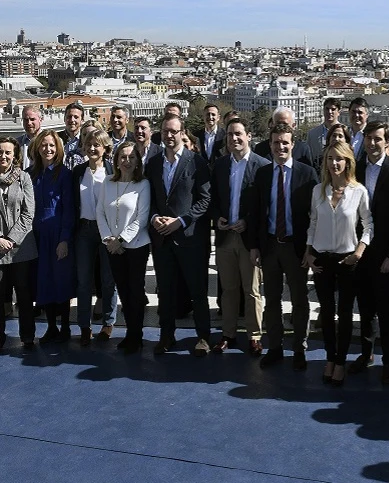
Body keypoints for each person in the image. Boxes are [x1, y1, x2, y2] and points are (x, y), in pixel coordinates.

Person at [250, 122, 319, 370]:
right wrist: (254, 246)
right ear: (270, 145)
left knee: (300, 300)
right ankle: (275, 347)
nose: (281, 147)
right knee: (272, 300)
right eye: (276, 142)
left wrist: (310, 250)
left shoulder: (307, 174)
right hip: (269, 245)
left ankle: (300, 348)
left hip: (296, 247)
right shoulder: (263, 174)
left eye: (285, 142)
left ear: (293, 144)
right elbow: (257, 212)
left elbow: (314, 215)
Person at [305, 141, 373, 387]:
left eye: (339, 159)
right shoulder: (317, 191)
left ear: (348, 162)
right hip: (322, 259)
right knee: (326, 312)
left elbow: (368, 225)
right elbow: (312, 223)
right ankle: (330, 358)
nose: (334, 163)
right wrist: (308, 253)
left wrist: (359, 252)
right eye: (330, 158)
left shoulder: (359, 192)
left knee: (344, 314)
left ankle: (341, 361)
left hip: (347, 260)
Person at [145, 113, 213, 356]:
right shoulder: (153, 164)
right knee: (165, 290)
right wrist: (154, 218)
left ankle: (203, 337)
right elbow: (149, 198)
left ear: (183, 133)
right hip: (162, 238)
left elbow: (205, 200)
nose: (170, 136)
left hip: (190, 238)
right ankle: (166, 336)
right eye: (165, 132)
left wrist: (181, 221)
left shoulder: (197, 162)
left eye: (174, 131)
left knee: (197, 291)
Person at [208, 117, 270, 355]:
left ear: (249, 136)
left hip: (249, 239)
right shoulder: (221, 165)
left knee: (252, 289)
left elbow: (265, 206)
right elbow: (212, 199)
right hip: (225, 237)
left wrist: (248, 222)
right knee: (228, 289)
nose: (234, 138)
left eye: (238, 134)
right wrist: (218, 219)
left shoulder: (262, 166)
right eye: (230, 134)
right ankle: (228, 333)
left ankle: (254, 335)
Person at [354, 121, 389, 385]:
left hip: (385, 254)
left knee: (386, 311)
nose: (373, 144)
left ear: (387, 142)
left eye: (378, 139)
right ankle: (366, 354)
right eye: (369, 139)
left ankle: (388, 361)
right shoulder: (355, 169)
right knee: (364, 307)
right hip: (360, 252)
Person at [0, 137, 38, 353]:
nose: (3, 156)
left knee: (24, 294)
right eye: (0, 152)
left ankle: (28, 337)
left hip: (20, 248)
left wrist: (11, 239)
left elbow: (29, 213)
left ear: (15, 155)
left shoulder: (24, 178)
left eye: (8, 153)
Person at [98, 141, 152, 354]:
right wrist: (109, 240)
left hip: (136, 246)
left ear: (137, 161)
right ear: (116, 160)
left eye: (131, 157)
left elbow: (142, 217)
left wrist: (121, 240)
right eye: (123, 157)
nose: (127, 161)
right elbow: (100, 212)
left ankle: (136, 335)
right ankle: (129, 332)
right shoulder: (107, 183)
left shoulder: (143, 185)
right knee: (123, 291)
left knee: (135, 292)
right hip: (112, 247)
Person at [29, 130, 75, 343]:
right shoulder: (31, 174)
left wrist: (64, 238)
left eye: (52, 146)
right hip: (37, 235)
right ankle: (50, 327)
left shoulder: (64, 174)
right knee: (44, 280)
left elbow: (68, 209)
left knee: (61, 280)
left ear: (58, 149)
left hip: (57, 233)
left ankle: (65, 326)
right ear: (37, 147)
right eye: (44, 145)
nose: (48, 149)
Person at [72, 129, 117, 345]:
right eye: (88, 144)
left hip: (107, 230)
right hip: (84, 230)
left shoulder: (112, 171)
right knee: (83, 281)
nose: (92, 148)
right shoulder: (78, 172)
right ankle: (84, 325)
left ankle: (108, 322)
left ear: (105, 148)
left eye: (97, 145)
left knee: (108, 280)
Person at [307, 97, 342, 168]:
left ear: (339, 112)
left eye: (333, 109)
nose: (329, 112)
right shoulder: (312, 134)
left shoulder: (345, 132)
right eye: (327, 109)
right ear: (323, 110)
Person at [58, 101, 86, 169]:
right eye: (69, 116)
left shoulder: (86, 139)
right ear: (64, 119)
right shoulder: (56, 138)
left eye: (76, 117)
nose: (72, 120)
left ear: (82, 120)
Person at [17, 105, 43, 169]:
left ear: (41, 119)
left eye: (32, 119)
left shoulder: (52, 142)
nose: (29, 123)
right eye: (25, 120)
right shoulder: (17, 143)